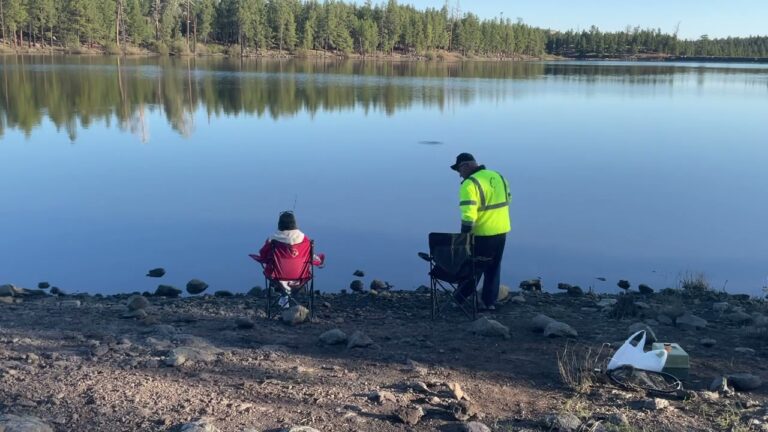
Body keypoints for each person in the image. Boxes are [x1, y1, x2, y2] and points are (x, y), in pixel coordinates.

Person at [450, 152, 511, 310]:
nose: (459, 175)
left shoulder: (469, 184)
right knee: (493, 267)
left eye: (459, 170)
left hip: (482, 233)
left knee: (474, 267)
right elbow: (508, 198)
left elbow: (468, 214)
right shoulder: (498, 176)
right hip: (502, 230)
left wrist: (464, 236)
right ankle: (489, 302)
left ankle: (458, 300)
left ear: (467, 166)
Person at [251, 211, 324, 308]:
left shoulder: (273, 239)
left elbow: (263, 254)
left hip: (277, 276)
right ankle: (293, 299)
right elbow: (311, 256)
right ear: (294, 223)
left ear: (279, 224)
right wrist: (319, 261)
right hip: (301, 276)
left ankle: (284, 295)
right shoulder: (304, 238)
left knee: (270, 267)